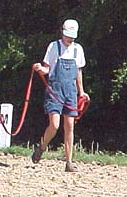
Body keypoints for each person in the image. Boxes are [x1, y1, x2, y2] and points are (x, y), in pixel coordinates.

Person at [31, 19, 90, 172]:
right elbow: (47, 69)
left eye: (72, 36)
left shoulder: (78, 50)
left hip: (70, 91)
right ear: (62, 33)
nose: (69, 39)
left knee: (69, 125)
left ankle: (69, 162)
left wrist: (81, 91)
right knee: (55, 125)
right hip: (55, 89)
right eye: (67, 36)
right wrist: (39, 69)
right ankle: (42, 147)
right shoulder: (53, 47)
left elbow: (78, 72)